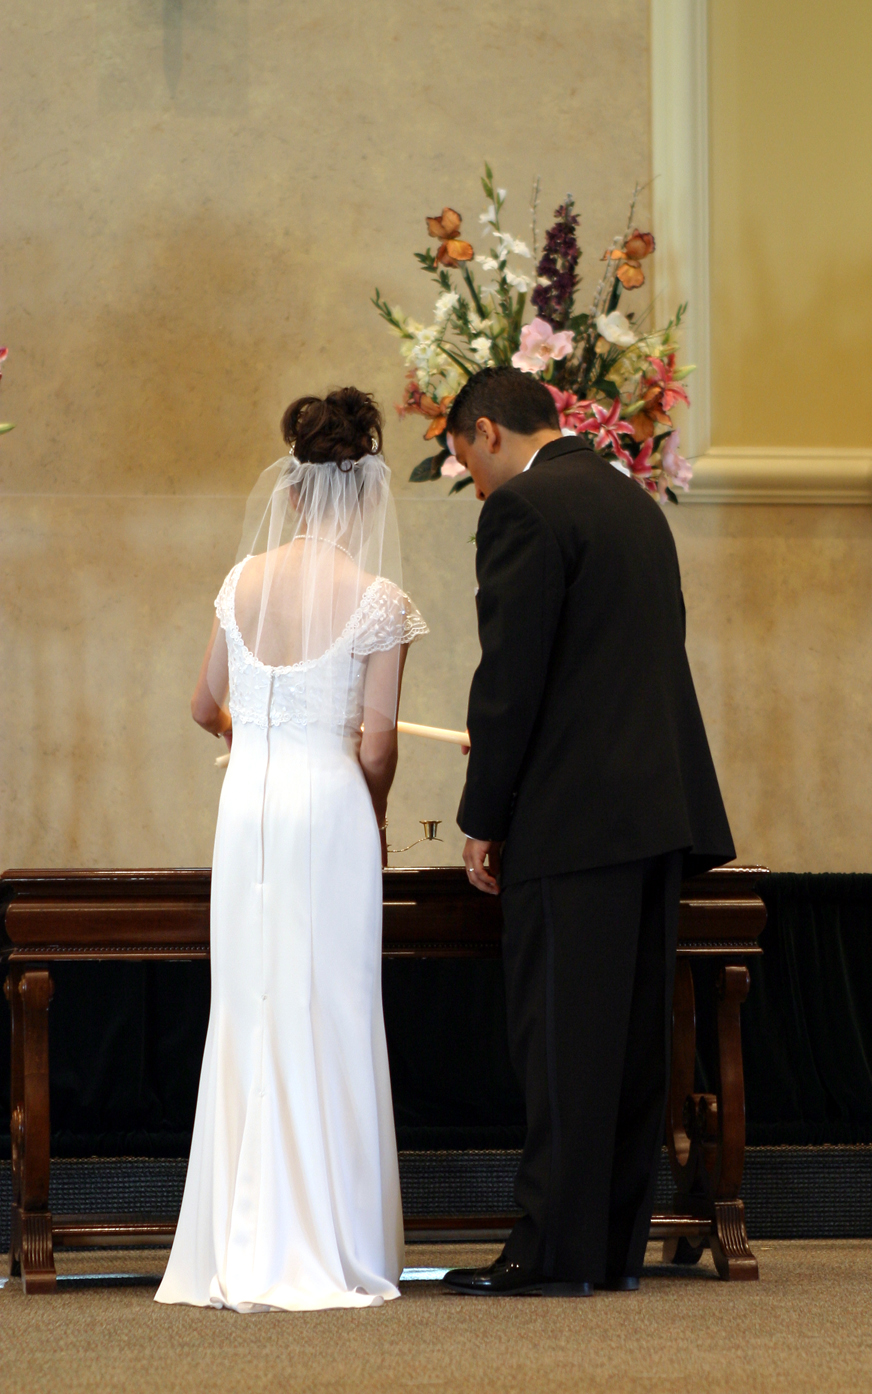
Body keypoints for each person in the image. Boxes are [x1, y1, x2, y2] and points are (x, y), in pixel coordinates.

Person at [441, 367, 734, 1297]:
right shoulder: (631, 501)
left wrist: (484, 816)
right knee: (630, 1044)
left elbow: (511, 676)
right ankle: (608, 1249)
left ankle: (548, 1254)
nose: (477, 487)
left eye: (468, 463)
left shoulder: (525, 507)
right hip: (657, 810)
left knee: (563, 1040)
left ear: (488, 432)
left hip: (573, 816)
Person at [155, 388, 428, 1312]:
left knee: (249, 1002)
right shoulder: (379, 600)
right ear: (366, 490)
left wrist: (259, 737)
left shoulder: (242, 581)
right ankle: (326, 1235)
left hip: (248, 807)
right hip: (329, 808)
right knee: (329, 1003)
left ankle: (235, 1236)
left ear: (296, 489)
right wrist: (375, 814)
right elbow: (378, 743)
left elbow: (204, 706)